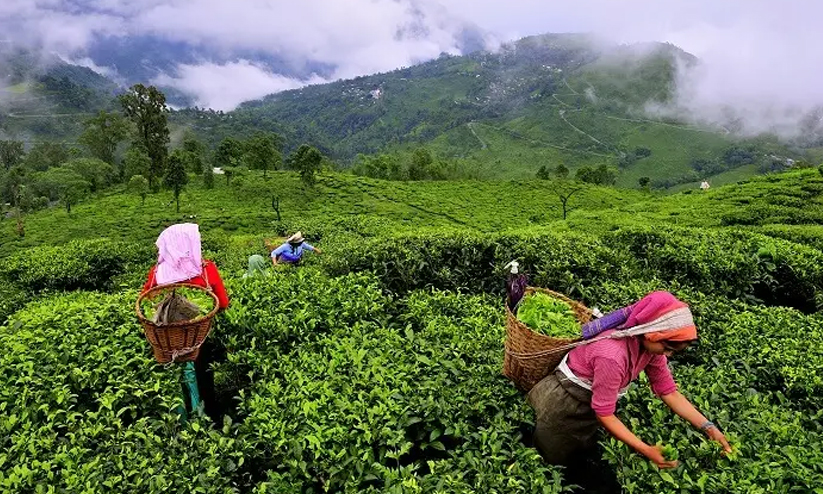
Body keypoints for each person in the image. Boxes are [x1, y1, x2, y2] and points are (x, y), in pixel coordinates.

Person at [528, 291, 731, 469]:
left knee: (579, 451)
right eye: (667, 347)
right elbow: (605, 414)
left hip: (589, 404)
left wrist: (709, 427)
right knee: (552, 456)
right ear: (651, 333)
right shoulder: (612, 356)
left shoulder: (650, 350)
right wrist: (646, 449)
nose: (668, 355)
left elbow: (668, 392)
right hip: (564, 404)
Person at [141, 223, 229, 420]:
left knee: (172, 381)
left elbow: (145, 301)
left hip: (166, 341)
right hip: (199, 338)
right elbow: (223, 303)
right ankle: (208, 419)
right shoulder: (206, 269)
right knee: (204, 378)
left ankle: (178, 422)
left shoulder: (157, 273)